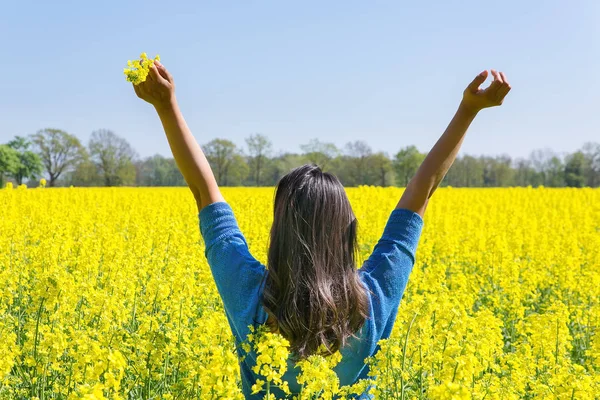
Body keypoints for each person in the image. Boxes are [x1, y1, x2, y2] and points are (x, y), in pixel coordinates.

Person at [132, 62, 511, 398]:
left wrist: (166, 107)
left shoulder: (249, 295)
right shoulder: (373, 299)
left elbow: (204, 192)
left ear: (279, 233)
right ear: (346, 233)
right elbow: (421, 193)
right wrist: (467, 111)